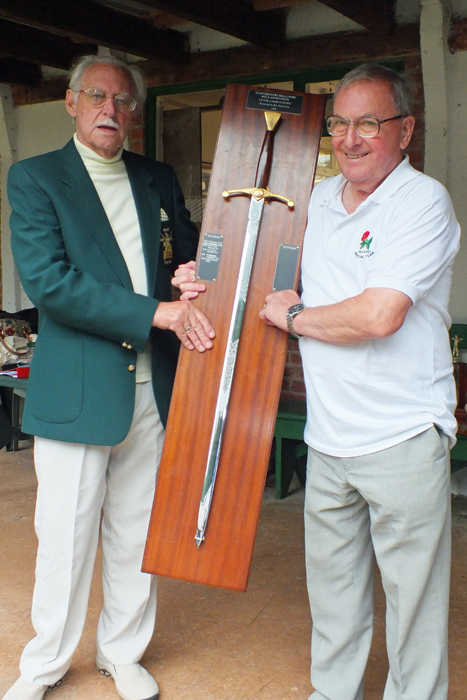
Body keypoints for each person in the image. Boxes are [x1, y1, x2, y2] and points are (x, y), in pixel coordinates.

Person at [3, 54, 214, 700]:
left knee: (136, 533)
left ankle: (122, 653)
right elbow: (51, 285)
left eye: (123, 102)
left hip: (153, 388)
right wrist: (160, 310)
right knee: (64, 535)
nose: (110, 110)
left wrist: (187, 278)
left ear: (134, 115)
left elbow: (183, 251)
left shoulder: (156, 177)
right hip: (78, 389)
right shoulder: (37, 179)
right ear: (71, 102)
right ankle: (43, 665)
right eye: (97, 96)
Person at [258, 64, 461, 700]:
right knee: (335, 592)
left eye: (368, 123)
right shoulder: (316, 199)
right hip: (329, 438)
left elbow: (379, 315)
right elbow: (256, 261)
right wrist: (198, 277)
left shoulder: (422, 201)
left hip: (401, 435)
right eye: (339, 124)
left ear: (404, 131)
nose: (350, 138)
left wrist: (292, 316)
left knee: (413, 605)